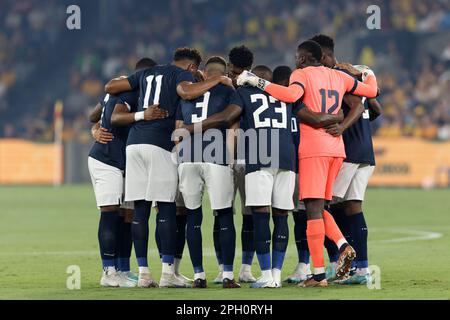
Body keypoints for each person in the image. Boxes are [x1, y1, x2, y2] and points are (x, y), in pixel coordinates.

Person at [179, 64, 344, 288]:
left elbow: (228, 117)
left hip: (260, 155)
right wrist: (338, 116)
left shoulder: (245, 93)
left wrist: (192, 128)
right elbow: (312, 115)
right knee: (281, 215)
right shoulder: (286, 95)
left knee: (260, 214)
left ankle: (266, 275)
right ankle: (275, 275)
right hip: (287, 158)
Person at [237, 40, 378, 287]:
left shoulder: (301, 74)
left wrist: (257, 81)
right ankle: (336, 254)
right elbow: (371, 92)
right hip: (336, 148)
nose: (295, 59)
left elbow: (291, 95)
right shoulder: (338, 77)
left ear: (303, 58)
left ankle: (322, 271)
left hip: (313, 148)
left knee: (312, 211)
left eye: (296, 56)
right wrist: (367, 72)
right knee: (320, 208)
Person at [105, 47, 232, 288]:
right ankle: (167, 273)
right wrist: (217, 78)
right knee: (165, 207)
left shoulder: (147, 73)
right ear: (193, 67)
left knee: (140, 209)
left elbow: (110, 87)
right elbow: (185, 92)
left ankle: (143, 273)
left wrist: (141, 112)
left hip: (134, 145)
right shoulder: (180, 75)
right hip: (158, 144)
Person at [310, 34, 382, 285]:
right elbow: (376, 108)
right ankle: (361, 270)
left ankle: (336, 266)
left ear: (324, 57)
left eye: (312, 60)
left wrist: (343, 127)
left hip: (347, 150)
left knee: (324, 207)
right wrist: (359, 126)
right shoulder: (354, 74)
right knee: (352, 207)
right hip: (365, 150)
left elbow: (357, 107)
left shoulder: (333, 78)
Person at [88, 58, 167, 287]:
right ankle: (108, 272)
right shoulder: (131, 93)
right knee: (110, 213)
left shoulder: (128, 92)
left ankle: (122, 269)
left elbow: (95, 116)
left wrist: (95, 127)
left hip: (125, 163)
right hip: (106, 160)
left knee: (127, 216)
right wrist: (142, 116)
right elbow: (112, 117)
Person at [176, 56, 240, 288]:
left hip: (187, 157)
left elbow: (177, 132)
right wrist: (231, 160)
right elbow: (233, 128)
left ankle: (199, 275)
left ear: (205, 72)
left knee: (193, 216)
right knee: (223, 215)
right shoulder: (229, 93)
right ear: (224, 74)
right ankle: (227, 276)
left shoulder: (187, 93)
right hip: (216, 156)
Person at [213, 45, 257, 284]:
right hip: (237, 158)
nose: (231, 71)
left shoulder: (239, 88)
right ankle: (232, 268)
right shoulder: (224, 87)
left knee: (237, 214)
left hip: (240, 158)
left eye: (233, 67)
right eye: (230, 67)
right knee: (228, 213)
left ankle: (237, 268)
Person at [272, 66, 311, 284]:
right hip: (295, 166)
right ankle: (305, 265)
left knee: (299, 217)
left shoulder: (293, 103)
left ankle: (305, 266)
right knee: (299, 217)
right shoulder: (295, 103)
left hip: (294, 167)